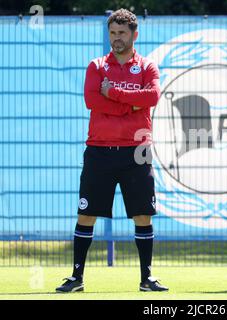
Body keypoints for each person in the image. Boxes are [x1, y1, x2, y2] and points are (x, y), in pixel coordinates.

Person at [56, 8, 168, 292]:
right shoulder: (96, 66)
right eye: (112, 33)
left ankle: (147, 279)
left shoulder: (147, 67)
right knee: (87, 213)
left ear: (134, 35)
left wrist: (115, 94)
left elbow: (153, 96)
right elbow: (93, 102)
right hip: (99, 151)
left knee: (142, 214)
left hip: (137, 151)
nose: (116, 39)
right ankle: (77, 278)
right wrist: (132, 104)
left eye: (121, 33)